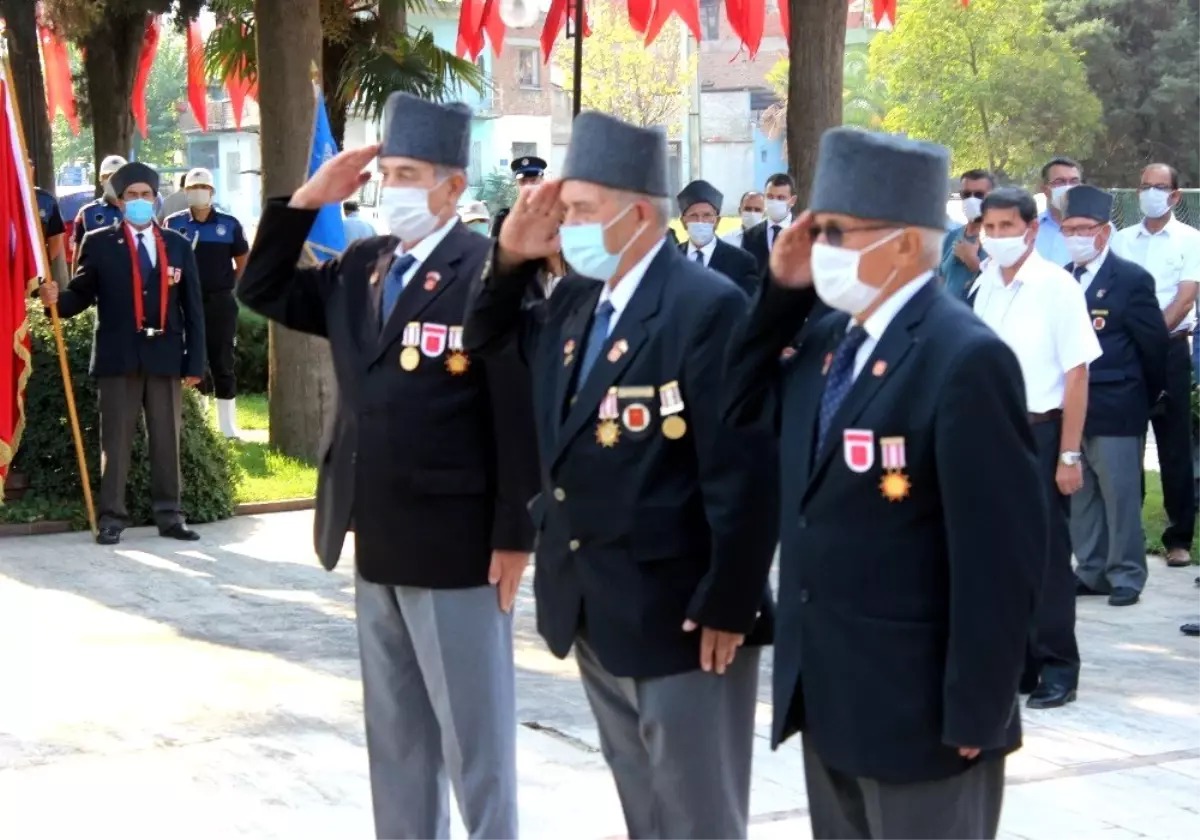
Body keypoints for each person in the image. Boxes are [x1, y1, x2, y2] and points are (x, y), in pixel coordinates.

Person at [721, 128, 1045, 840]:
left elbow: (1002, 556)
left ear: (903, 244)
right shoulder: (826, 341)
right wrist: (780, 294)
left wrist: (979, 708)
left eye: (835, 231)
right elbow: (736, 408)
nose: (819, 246)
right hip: (828, 695)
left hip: (920, 713)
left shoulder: (964, 359)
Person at [463, 111, 779, 840]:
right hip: (593, 601)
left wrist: (732, 599)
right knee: (644, 809)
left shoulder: (707, 307)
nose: (565, 225)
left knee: (697, 815)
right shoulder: (577, 301)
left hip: (684, 612)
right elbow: (487, 340)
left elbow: (743, 468)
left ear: (638, 213)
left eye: (578, 211)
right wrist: (509, 258)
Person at [236, 92, 539, 840]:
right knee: (397, 738)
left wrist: (514, 534)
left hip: (460, 545)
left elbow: (516, 410)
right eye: (388, 173)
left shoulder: (486, 273)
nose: (393, 187)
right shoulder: (363, 266)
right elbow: (260, 288)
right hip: (375, 532)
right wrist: (306, 200)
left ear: (453, 188)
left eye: (410, 173)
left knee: (476, 743)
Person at [973, 187, 1101, 710]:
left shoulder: (1055, 287)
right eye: (991, 226)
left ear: (1031, 229)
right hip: (990, 435)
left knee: (1047, 556)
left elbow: (1077, 374)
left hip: (1041, 432)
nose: (999, 236)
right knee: (1000, 555)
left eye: (1009, 226)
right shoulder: (984, 286)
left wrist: (1069, 454)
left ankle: (1057, 666)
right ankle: (1019, 659)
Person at [38, 162, 206, 546]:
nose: (140, 202)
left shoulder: (178, 244)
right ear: (119, 201)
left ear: (156, 198)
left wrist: (195, 362)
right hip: (118, 357)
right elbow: (81, 294)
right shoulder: (98, 242)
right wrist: (53, 300)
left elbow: (194, 309)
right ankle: (112, 517)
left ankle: (170, 515)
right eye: (132, 196)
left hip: (165, 356)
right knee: (114, 443)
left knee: (167, 441)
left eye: (146, 195)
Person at [1065, 186, 1169, 608]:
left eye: (1083, 229)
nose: (1075, 236)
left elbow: (1154, 346)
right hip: (1073, 407)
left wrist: (1143, 394)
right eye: (1069, 228)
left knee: (1120, 495)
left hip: (1116, 404)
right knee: (1082, 496)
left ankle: (1126, 573)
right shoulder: (1063, 277)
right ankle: (1091, 570)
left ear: (1104, 232)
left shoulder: (1130, 279)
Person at [1111, 163, 1200, 569]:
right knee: (1126, 445)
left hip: (1170, 350)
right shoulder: (1122, 240)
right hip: (1127, 354)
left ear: (1175, 196)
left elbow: (1184, 299)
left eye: (1160, 187)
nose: (1151, 193)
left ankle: (1179, 538)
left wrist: (1150, 335)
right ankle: (1128, 537)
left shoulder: (1190, 239)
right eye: (1145, 186)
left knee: (1174, 446)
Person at [164, 167, 250, 439]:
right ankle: (198, 424)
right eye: (191, 188)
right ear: (185, 192)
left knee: (222, 360)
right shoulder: (173, 223)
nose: (197, 192)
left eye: (202, 188)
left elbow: (242, 262)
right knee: (192, 361)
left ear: (211, 192)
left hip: (219, 302)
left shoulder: (230, 224)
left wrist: (227, 287)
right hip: (184, 302)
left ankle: (227, 427)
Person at [677, 179, 760, 297]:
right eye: (693, 216)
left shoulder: (742, 262)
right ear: (683, 222)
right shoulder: (669, 259)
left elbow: (747, 307)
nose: (700, 222)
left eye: (707, 215)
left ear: (717, 221)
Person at [940, 169, 993, 299]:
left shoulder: (997, 240)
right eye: (967, 194)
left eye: (979, 195)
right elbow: (939, 280)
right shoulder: (951, 237)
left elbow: (1002, 288)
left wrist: (974, 263)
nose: (972, 200)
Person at [72, 154, 127, 261]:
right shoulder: (87, 213)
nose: (113, 180)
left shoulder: (140, 211)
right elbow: (78, 253)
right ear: (100, 179)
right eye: (108, 176)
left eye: (117, 175)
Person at [741, 172, 796, 272]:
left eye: (781, 198)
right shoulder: (750, 235)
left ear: (792, 201)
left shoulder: (806, 233)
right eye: (770, 197)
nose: (774, 202)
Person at [1034, 157, 1082, 267]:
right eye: (1060, 182)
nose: (1068, 187)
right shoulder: (1030, 230)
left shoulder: (1101, 229)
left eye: (1074, 181)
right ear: (1045, 190)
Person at [489, 155, 547, 238]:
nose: (528, 186)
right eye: (523, 181)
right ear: (517, 185)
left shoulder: (555, 214)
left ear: (542, 182)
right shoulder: (504, 217)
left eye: (533, 180)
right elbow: (495, 248)